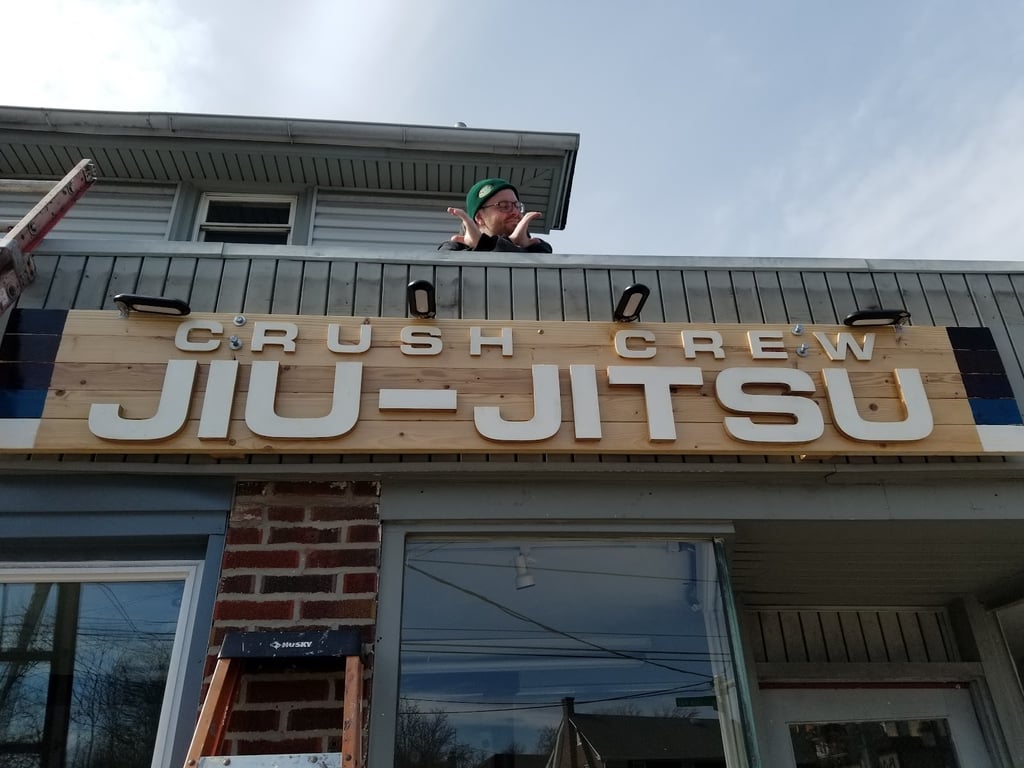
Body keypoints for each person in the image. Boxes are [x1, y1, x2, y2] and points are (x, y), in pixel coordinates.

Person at [439, 178, 553, 253]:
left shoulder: (537, 247)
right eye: (504, 206)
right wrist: (485, 245)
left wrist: (482, 245)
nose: (515, 212)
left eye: (517, 205)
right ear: (479, 218)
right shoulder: (453, 249)